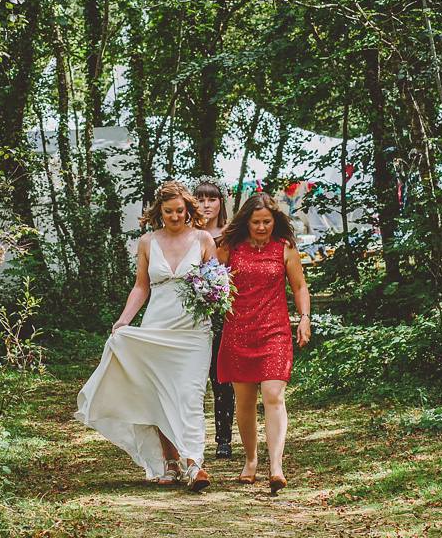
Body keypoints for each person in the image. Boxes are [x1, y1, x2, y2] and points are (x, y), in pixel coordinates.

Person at [75, 181, 216, 491]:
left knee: (191, 395)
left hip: (193, 331)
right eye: (169, 212)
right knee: (157, 395)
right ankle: (169, 461)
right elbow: (141, 286)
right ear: (159, 212)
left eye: (180, 211)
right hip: (157, 326)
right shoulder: (147, 242)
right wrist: (124, 320)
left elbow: (215, 281)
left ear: (187, 209)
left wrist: (215, 295)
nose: (176, 217)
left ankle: (194, 464)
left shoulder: (203, 239)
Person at [216, 192, 312, 495]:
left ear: (275, 220)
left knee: (273, 396)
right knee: (244, 403)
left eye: (266, 221)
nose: (261, 227)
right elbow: (213, 284)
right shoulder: (229, 247)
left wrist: (304, 318)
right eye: (255, 221)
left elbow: (299, 286)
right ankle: (251, 459)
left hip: (275, 332)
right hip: (238, 331)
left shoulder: (285, 248)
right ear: (246, 221)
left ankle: (276, 466)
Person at [193, 176, 235, 459]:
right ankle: (191, 437)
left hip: (222, 312)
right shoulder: (185, 232)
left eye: (212, 199)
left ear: (221, 202)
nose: (206, 205)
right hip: (190, 311)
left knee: (221, 377)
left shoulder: (232, 233)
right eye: (201, 199)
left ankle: (224, 438)